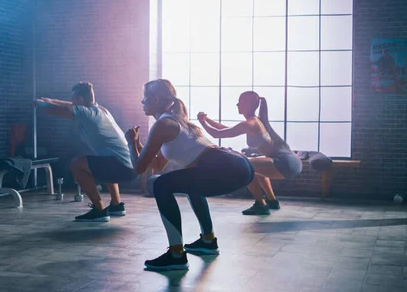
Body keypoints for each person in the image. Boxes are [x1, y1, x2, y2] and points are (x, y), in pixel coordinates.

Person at [126, 79, 254, 270]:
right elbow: (158, 164)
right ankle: (208, 241)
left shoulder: (164, 124)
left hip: (226, 166)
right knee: (190, 181)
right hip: (238, 165)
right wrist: (137, 144)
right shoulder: (175, 121)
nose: (141, 102)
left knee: (160, 185)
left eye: (144, 98)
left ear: (155, 99)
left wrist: (130, 143)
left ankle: (176, 254)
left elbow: (138, 168)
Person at [34, 81, 136, 222]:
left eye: (74, 98)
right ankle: (116, 205)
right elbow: (68, 105)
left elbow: (56, 110)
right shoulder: (101, 110)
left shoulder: (86, 113)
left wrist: (42, 103)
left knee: (76, 164)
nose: (72, 101)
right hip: (130, 166)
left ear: (80, 100)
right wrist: (50, 101)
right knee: (103, 158)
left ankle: (99, 210)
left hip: (121, 167)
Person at [197, 91, 302, 215]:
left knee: (246, 166)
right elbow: (225, 129)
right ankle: (272, 201)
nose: (237, 104)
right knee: (257, 168)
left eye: (240, 102)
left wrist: (202, 122)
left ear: (247, 104)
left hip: (285, 162)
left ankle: (261, 204)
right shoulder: (255, 121)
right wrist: (207, 119)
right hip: (292, 162)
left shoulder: (251, 124)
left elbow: (217, 133)